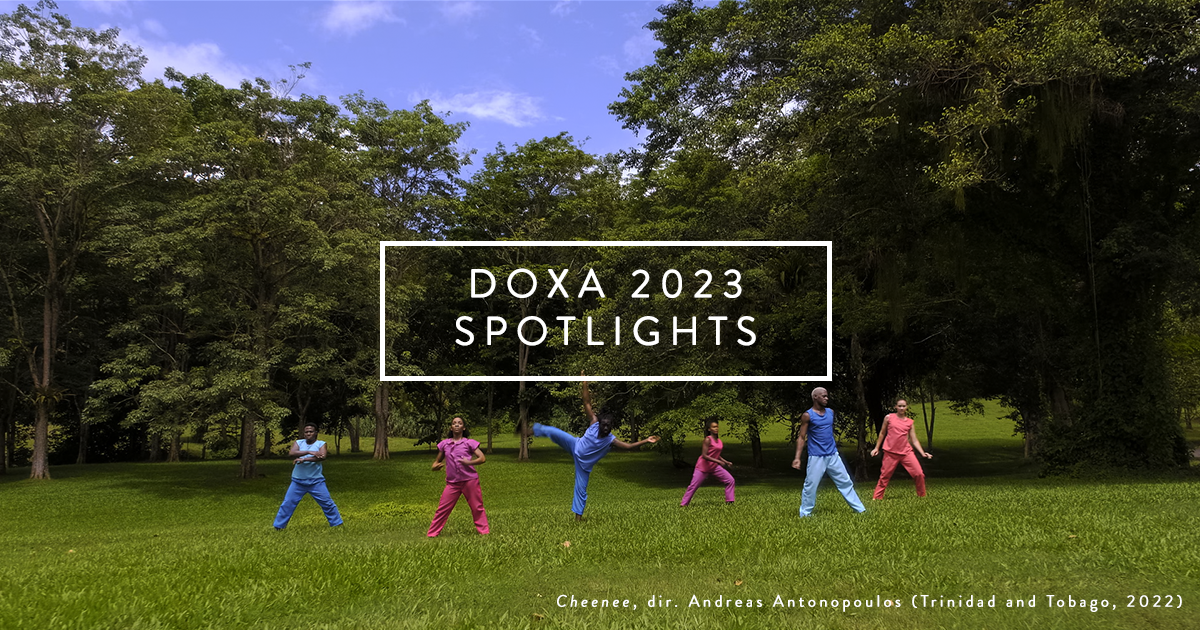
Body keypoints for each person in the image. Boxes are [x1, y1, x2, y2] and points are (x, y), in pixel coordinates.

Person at [532, 372, 659, 520]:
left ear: (611, 427)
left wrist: (646, 440)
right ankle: (529, 430)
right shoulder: (593, 422)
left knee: (581, 490)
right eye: (604, 425)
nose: (606, 428)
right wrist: (584, 382)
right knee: (553, 431)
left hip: (583, 465)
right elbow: (586, 402)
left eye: (608, 426)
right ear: (600, 423)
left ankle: (577, 519)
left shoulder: (611, 439)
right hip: (575, 445)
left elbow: (629, 446)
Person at [791, 387, 866, 517]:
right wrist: (797, 458)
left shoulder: (830, 412)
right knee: (811, 485)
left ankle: (860, 510)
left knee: (845, 482)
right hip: (816, 457)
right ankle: (805, 513)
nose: (827, 398)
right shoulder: (807, 415)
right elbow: (801, 437)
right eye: (823, 396)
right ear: (815, 397)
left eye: (827, 396)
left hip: (832, 455)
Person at [273, 422, 344, 529]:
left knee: (327, 503)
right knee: (287, 504)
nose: (308, 434)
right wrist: (310, 452)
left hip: (316, 481)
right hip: (298, 481)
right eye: (306, 432)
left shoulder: (321, 444)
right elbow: (292, 453)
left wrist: (305, 459)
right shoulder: (299, 443)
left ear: (316, 433)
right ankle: (279, 526)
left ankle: (337, 524)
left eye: (311, 432)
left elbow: (322, 457)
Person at [428, 417, 489, 537]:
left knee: (477, 507)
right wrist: (435, 466)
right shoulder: (445, 444)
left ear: (463, 428)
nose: (457, 425)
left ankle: (484, 532)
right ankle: (432, 534)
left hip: (470, 481)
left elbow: (482, 458)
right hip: (452, 483)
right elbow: (436, 462)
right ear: (451, 427)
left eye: (460, 423)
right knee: (442, 508)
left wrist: (468, 463)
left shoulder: (469, 443)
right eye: (454, 423)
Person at [870, 399, 932, 499]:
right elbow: (882, 433)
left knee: (919, 474)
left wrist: (923, 453)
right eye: (899, 406)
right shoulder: (889, 418)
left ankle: (922, 496)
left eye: (903, 406)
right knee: (884, 476)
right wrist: (876, 448)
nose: (901, 408)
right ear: (896, 407)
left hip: (906, 453)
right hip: (890, 452)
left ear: (906, 407)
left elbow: (914, 440)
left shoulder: (910, 422)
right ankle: (877, 498)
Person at [680, 419, 735, 506]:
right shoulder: (707, 440)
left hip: (714, 467)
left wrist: (726, 462)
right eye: (714, 427)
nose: (716, 428)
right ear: (709, 429)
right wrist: (718, 461)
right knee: (693, 486)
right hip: (702, 467)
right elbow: (704, 455)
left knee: (730, 480)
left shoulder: (719, 441)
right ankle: (683, 504)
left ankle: (730, 501)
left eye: (717, 427)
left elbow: (716, 454)